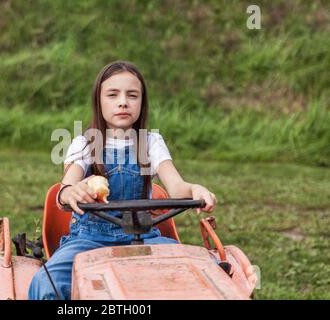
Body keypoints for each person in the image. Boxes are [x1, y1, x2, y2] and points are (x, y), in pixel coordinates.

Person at [28, 61, 217, 300]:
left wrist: (195, 189)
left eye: (132, 95)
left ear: (142, 103)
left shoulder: (151, 143)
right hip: (89, 238)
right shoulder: (85, 143)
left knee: (198, 274)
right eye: (113, 94)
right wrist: (71, 192)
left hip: (143, 237)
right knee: (48, 284)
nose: (123, 102)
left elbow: (178, 189)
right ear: (99, 101)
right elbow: (66, 188)